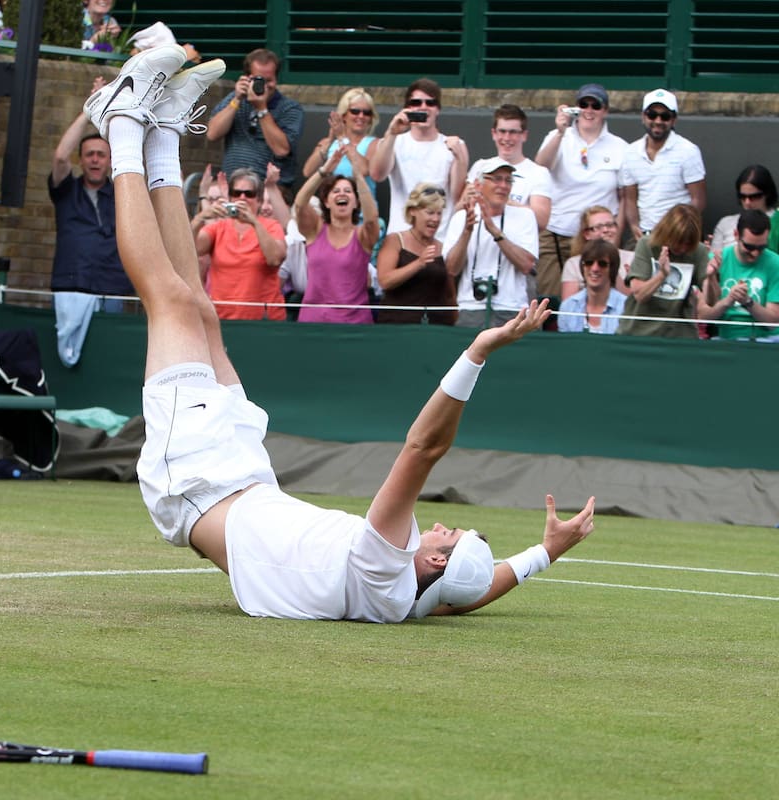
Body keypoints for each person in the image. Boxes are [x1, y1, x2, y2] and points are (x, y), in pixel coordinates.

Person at [82, 44, 595, 623]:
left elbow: (425, 447)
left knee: (169, 301)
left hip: (199, 486)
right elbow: (480, 585)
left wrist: (477, 352)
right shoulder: (416, 600)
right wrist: (546, 551)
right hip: (245, 475)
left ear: (432, 563)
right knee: (200, 310)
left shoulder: (388, 565)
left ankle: (122, 119)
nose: (445, 525)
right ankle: (165, 138)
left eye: (449, 537)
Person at [48, 77, 132, 366]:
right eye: (89, 155)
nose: (95, 160)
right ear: (81, 161)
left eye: (101, 155)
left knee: (109, 358)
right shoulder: (66, 190)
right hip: (72, 288)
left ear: (110, 160)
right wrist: (88, 111)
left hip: (114, 289)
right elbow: (60, 157)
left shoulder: (123, 192)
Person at [535, 83, 628, 305]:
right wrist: (560, 132)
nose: (589, 110)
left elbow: (625, 198)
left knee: (596, 299)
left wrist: (615, 236)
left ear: (605, 111)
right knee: (551, 300)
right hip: (557, 233)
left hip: (597, 239)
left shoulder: (620, 147)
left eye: (595, 105)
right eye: (583, 104)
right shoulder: (558, 136)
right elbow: (540, 166)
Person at [444, 158, 539, 329]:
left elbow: (526, 265)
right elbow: (452, 268)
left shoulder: (525, 216)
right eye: (496, 179)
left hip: (513, 309)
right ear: (478, 185)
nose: (503, 185)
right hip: (471, 307)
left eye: (508, 180)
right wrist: (466, 232)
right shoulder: (461, 217)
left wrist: (495, 232)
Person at [291, 145, 380, 324]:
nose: (342, 194)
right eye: (336, 191)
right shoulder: (315, 229)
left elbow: (372, 219)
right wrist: (324, 171)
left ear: (356, 202)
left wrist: (358, 177)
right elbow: (300, 204)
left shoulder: (363, 235)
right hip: (313, 322)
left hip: (355, 324)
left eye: (348, 191)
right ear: (326, 201)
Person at [370, 78, 469, 235]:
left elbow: (458, 197)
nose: (423, 107)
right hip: (401, 237)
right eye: (417, 103)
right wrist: (392, 133)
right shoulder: (394, 142)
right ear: (408, 108)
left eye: (430, 103)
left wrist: (460, 158)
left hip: (440, 239)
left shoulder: (455, 145)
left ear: (438, 109)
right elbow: (377, 174)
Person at [192, 167, 288, 320]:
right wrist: (199, 219)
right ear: (230, 198)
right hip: (222, 318)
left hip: (263, 320)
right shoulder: (219, 227)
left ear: (259, 200)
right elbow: (190, 249)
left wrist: (254, 222)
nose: (242, 198)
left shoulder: (271, 226)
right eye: (236, 193)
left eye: (249, 194)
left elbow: (275, 258)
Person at [206, 48, 305, 196]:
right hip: (231, 184)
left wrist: (262, 109)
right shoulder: (235, 99)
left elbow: (282, 149)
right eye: (258, 80)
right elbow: (212, 134)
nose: (264, 86)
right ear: (247, 77)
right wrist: (236, 100)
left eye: (268, 80)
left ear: (276, 79)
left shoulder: (290, 109)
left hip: (269, 187)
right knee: (211, 195)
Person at [620, 89, 707, 247]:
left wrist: (681, 228)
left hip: (679, 239)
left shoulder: (688, 151)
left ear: (674, 120)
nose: (658, 121)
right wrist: (634, 225)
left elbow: (698, 199)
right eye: (652, 115)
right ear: (643, 117)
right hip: (645, 236)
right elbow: (630, 198)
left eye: (665, 116)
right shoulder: (630, 152)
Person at [618, 203, 711, 339]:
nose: (683, 248)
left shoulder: (699, 251)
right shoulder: (647, 244)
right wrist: (661, 275)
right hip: (639, 333)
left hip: (680, 336)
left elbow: (711, 300)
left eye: (688, 243)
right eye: (679, 242)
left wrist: (712, 277)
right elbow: (639, 295)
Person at [373, 182, 457, 326]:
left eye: (439, 213)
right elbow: (385, 281)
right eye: (430, 212)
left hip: (436, 327)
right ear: (413, 211)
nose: (435, 219)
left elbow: (449, 294)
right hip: (397, 325)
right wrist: (418, 263)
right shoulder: (395, 240)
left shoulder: (443, 247)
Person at [698, 209, 779, 341]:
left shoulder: (775, 263)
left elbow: (773, 322)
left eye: (761, 247)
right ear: (736, 235)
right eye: (749, 247)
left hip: (766, 338)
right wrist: (727, 298)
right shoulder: (717, 260)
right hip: (726, 337)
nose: (755, 253)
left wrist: (747, 302)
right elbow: (703, 316)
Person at [467, 104, 552, 230]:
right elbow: (462, 208)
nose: (507, 138)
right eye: (502, 131)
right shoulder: (480, 166)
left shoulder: (539, 173)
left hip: (517, 243)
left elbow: (541, 220)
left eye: (513, 132)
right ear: (494, 134)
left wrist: (501, 200)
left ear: (524, 135)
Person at [302, 87, 382, 203]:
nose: (361, 116)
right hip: (333, 211)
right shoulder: (328, 143)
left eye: (367, 113)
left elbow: (364, 170)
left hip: (363, 214)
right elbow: (307, 171)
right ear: (344, 115)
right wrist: (329, 142)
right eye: (355, 111)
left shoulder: (374, 143)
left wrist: (342, 138)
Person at [559, 205, 634, 299]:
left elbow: (633, 302)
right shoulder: (573, 264)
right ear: (587, 234)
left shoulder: (633, 258)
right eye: (598, 227)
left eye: (610, 225)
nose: (606, 230)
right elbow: (568, 305)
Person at [557, 240, 627, 334]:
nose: (594, 269)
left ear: (612, 269)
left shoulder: (626, 307)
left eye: (602, 264)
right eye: (589, 263)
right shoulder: (568, 306)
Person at [708, 165, 777, 254]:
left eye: (754, 197)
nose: (747, 202)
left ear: (767, 194)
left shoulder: (776, 222)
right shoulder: (726, 223)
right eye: (743, 197)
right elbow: (713, 258)